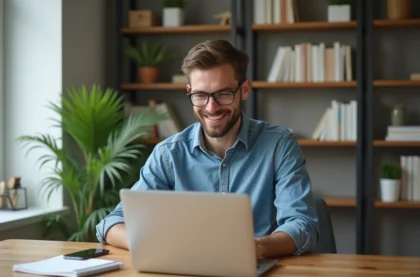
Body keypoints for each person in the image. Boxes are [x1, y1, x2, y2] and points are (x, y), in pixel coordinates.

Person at [96, 39, 319, 258]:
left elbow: (302, 225)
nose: (211, 107)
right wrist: (155, 245)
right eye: (201, 95)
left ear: (245, 90)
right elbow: (112, 224)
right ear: (189, 92)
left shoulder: (279, 145)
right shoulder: (168, 154)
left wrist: (257, 247)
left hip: (259, 268)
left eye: (223, 94)